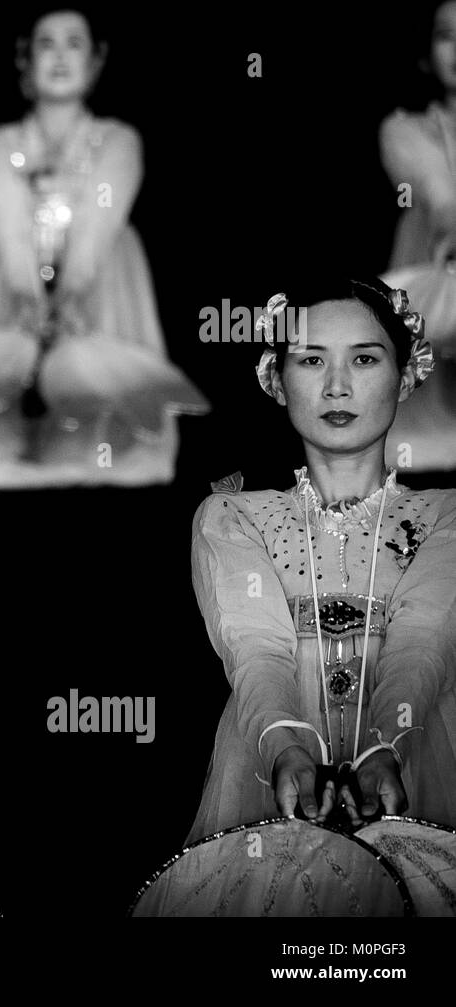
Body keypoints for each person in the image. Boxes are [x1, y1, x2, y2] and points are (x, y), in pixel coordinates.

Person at [0, 7, 206, 490]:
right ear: (25, 59)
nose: (61, 57)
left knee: (93, 427)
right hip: (10, 280)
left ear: (95, 60)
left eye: (75, 43)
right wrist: (29, 296)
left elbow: (99, 219)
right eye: (47, 44)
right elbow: (5, 223)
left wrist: (70, 294)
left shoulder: (118, 139)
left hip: (101, 279)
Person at [187, 278, 456, 843]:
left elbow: (424, 637)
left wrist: (387, 750)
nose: (337, 386)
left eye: (364, 358)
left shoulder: (446, 515)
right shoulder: (234, 514)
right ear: (276, 381)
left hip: (422, 757)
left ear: (406, 376)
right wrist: (287, 747)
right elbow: (256, 649)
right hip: (270, 764)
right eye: (311, 360)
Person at [378, 0, 456, 470]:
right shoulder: (404, 129)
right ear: (426, 51)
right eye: (448, 36)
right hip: (434, 271)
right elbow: (439, 194)